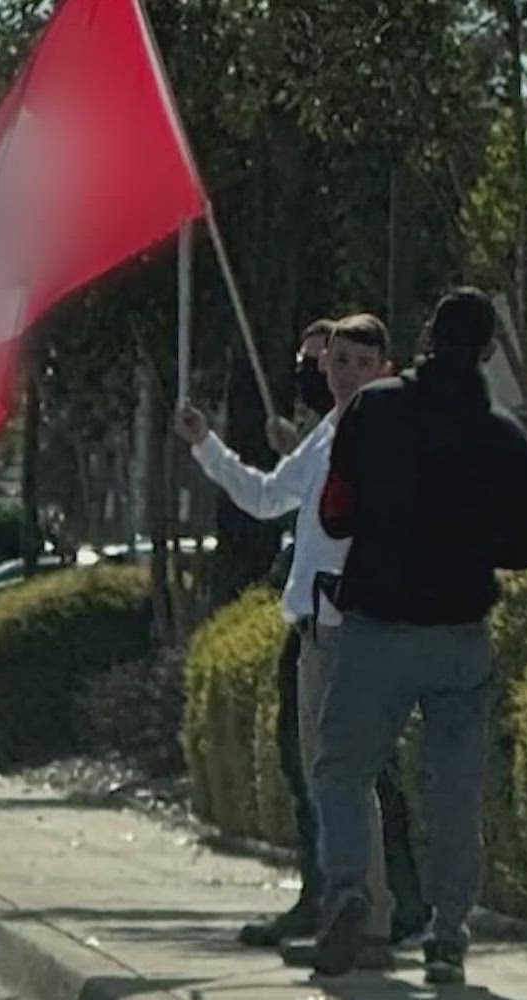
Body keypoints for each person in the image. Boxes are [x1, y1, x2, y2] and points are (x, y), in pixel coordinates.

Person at [310, 287, 527, 985]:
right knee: (454, 790)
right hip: (460, 634)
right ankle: (448, 936)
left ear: (424, 338)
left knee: (342, 769)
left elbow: (334, 515)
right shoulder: (505, 437)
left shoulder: (374, 409)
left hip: (376, 624)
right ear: (488, 351)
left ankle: (351, 888)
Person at [177, 316, 428, 964]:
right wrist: (208, 446)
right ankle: (353, 912)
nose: (344, 373)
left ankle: (360, 908)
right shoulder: (325, 438)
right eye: (337, 361)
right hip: (319, 624)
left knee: (344, 771)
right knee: (331, 774)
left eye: (358, 362)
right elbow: (264, 498)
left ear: (384, 367)